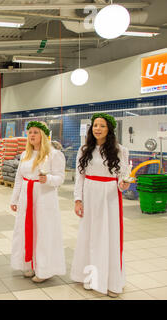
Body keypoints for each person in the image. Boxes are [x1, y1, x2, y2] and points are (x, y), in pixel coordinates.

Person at [71, 113, 130, 298]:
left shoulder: (120, 150)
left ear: (109, 129)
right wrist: (78, 200)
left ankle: (112, 281)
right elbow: (79, 177)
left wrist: (123, 184)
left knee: (109, 237)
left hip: (110, 197)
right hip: (89, 195)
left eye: (102, 126)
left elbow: (122, 176)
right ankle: (90, 279)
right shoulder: (84, 149)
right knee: (89, 237)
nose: (97, 128)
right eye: (95, 125)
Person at [9, 121, 66, 283]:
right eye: (30, 132)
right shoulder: (24, 155)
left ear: (43, 135)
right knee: (26, 229)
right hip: (27, 197)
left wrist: (47, 179)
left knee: (43, 231)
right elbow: (19, 178)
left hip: (44, 198)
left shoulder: (54, 155)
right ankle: (29, 263)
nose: (32, 135)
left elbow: (60, 178)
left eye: (35, 132)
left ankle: (44, 269)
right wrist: (15, 198)